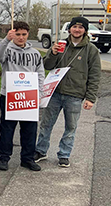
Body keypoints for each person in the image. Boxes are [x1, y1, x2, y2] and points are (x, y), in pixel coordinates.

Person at [34, 16, 101, 168]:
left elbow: (95, 75)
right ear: (70, 28)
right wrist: (53, 53)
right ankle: (41, 151)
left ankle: (64, 154)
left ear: (85, 30)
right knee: (46, 124)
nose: (77, 30)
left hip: (75, 95)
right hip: (55, 92)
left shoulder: (91, 50)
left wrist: (90, 98)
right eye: (74, 26)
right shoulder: (60, 45)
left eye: (81, 27)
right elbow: (47, 66)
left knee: (70, 128)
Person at [0, 21, 45, 172]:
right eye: (18, 34)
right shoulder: (7, 49)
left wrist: (39, 93)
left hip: (29, 96)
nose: (21, 37)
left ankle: (27, 159)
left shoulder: (35, 53)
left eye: (24, 34)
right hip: (9, 96)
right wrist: (6, 40)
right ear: (13, 34)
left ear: (28, 34)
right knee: (7, 129)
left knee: (30, 130)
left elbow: (40, 74)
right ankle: (4, 158)